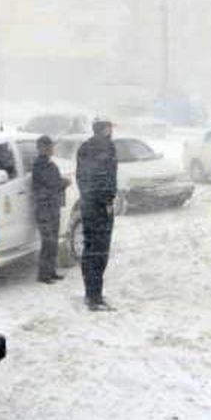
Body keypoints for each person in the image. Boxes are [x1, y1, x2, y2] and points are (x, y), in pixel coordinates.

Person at [76, 117, 118, 310]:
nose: (112, 131)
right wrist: (106, 201)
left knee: (90, 248)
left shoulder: (85, 148)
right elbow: (102, 178)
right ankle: (95, 297)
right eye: (110, 127)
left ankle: (91, 293)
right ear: (103, 129)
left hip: (88, 205)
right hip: (99, 207)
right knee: (99, 251)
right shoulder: (105, 148)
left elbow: (82, 178)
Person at [32, 135, 70, 284]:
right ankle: (44, 275)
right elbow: (53, 183)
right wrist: (65, 182)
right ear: (41, 148)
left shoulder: (48, 164)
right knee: (48, 242)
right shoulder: (40, 165)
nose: (51, 149)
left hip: (52, 207)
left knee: (53, 241)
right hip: (45, 209)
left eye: (51, 146)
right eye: (48, 146)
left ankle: (51, 271)